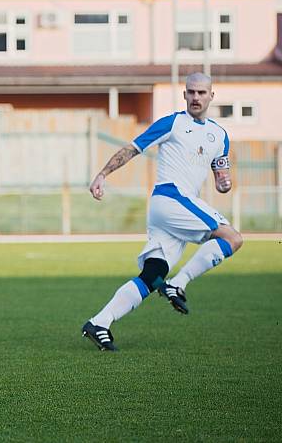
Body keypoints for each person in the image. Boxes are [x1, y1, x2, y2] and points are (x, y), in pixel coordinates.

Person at [81, 72, 243, 351]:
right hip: (171, 198)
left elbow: (222, 179)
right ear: (184, 95)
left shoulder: (220, 135)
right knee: (233, 238)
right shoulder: (173, 123)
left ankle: (99, 322)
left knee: (153, 272)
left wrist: (225, 183)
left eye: (201, 93)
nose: (195, 97)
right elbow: (133, 148)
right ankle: (178, 284)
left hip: (172, 211)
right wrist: (102, 174)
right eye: (191, 92)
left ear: (211, 96)